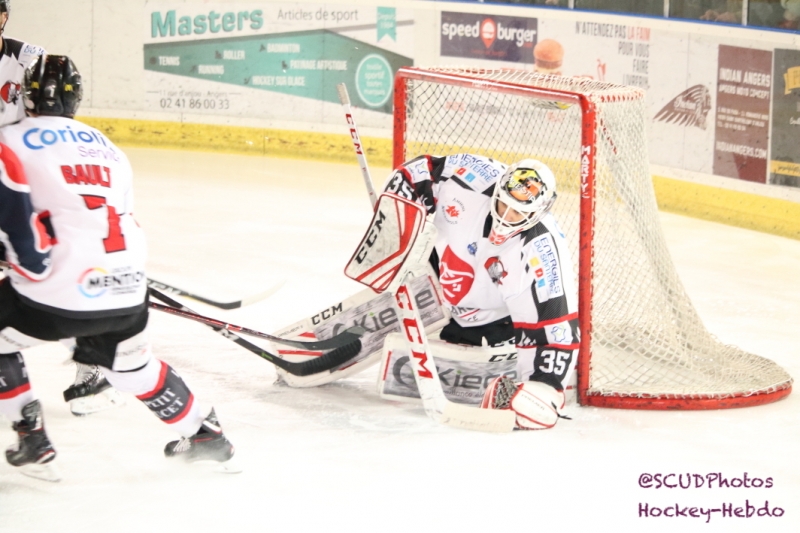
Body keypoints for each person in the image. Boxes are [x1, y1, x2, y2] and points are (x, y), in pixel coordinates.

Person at [0, 54, 237, 481]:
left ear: (26, 95)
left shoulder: (9, 139)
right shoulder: (110, 148)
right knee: (132, 367)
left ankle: (30, 435)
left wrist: (21, 265)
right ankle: (204, 434)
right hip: (127, 286)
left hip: (54, 291)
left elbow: (17, 223)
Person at [381, 153, 579, 429]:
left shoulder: (543, 250)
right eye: (503, 204)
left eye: (519, 213)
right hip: (436, 280)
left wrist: (545, 385)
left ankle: (476, 338)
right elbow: (419, 172)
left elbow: (555, 324)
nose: (506, 217)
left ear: (538, 212)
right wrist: (394, 217)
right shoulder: (471, 179)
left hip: (498, 320)